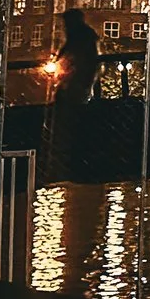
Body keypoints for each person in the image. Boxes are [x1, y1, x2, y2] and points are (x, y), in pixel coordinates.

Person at [43, 10, 100, 181]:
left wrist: (59, 69)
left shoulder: (80, 37)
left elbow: (70, 55)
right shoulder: (85, 36)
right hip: (79, 81)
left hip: (78, 82)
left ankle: (64, 155)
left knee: (68, 111)